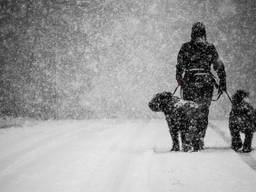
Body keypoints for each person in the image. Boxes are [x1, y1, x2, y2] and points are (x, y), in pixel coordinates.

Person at [176, 22, 227, 150]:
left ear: (192, 33)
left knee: (188, 111)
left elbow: (180, 65)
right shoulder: (210, 47)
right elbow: (219, 65)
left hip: (190, 83)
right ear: (204, 33)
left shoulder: (186, 47)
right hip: (206, 83)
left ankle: (188, 139)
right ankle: (199, 138)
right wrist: (222, 81)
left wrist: (179, 77)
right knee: (203, 112)